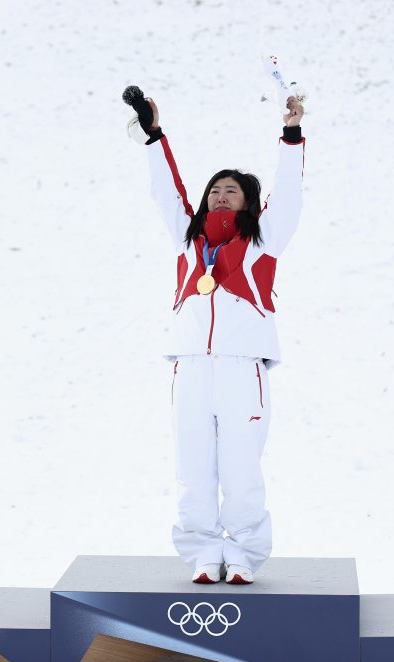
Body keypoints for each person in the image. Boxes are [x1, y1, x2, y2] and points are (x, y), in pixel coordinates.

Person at [128, 91, 305, 585]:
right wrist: (154, 134)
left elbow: (288, 196)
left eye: (231, 191)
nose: (220, 196)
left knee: (241, 466)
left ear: (248, 200)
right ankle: (205, 553)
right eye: (214, 191)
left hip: (241, 366)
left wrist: (291, 136)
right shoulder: (189, 240)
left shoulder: (262, 241)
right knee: (193, 465)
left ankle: (244, 554)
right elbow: (167, 193)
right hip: (190, 364)